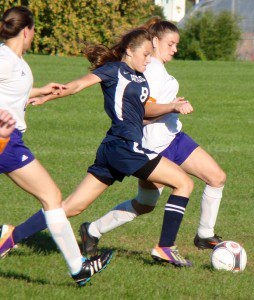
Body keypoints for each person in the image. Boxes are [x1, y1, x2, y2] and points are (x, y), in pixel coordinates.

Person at [0, 25, 195, 267]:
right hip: (124, 147)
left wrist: (170, 106)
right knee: (184, 182)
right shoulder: (113, 70)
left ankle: (10, 236)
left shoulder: (140, 76)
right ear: (129, 51)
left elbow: (139, 114)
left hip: (116, 148)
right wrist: (46, 95)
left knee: (71, 207)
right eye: (145, 55)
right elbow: (77, 86)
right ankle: (165, 247)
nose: (148, 60)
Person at [78, 18, 226, 262]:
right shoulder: (148, 70)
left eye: (177, 44)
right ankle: (93, 231)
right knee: (146, 203)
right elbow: (143, 109)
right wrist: (173, 107)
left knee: (217, 177)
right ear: (155, 41)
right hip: (153, 145)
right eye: (171, 44)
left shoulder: (157, 68)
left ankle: (204, 234)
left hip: (173, 137)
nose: (175, 49)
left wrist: (171, 106)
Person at [0, 6, 112, 286]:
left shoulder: (16, 61)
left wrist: (40, 91)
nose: (33, 36)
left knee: (52, 197)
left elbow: (12, 93)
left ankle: (76, 267)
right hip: (6, 140)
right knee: (52, 198)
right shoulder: (5, 59)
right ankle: (79, 268)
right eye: (33, 31)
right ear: (27, 30)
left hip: (10, 140)